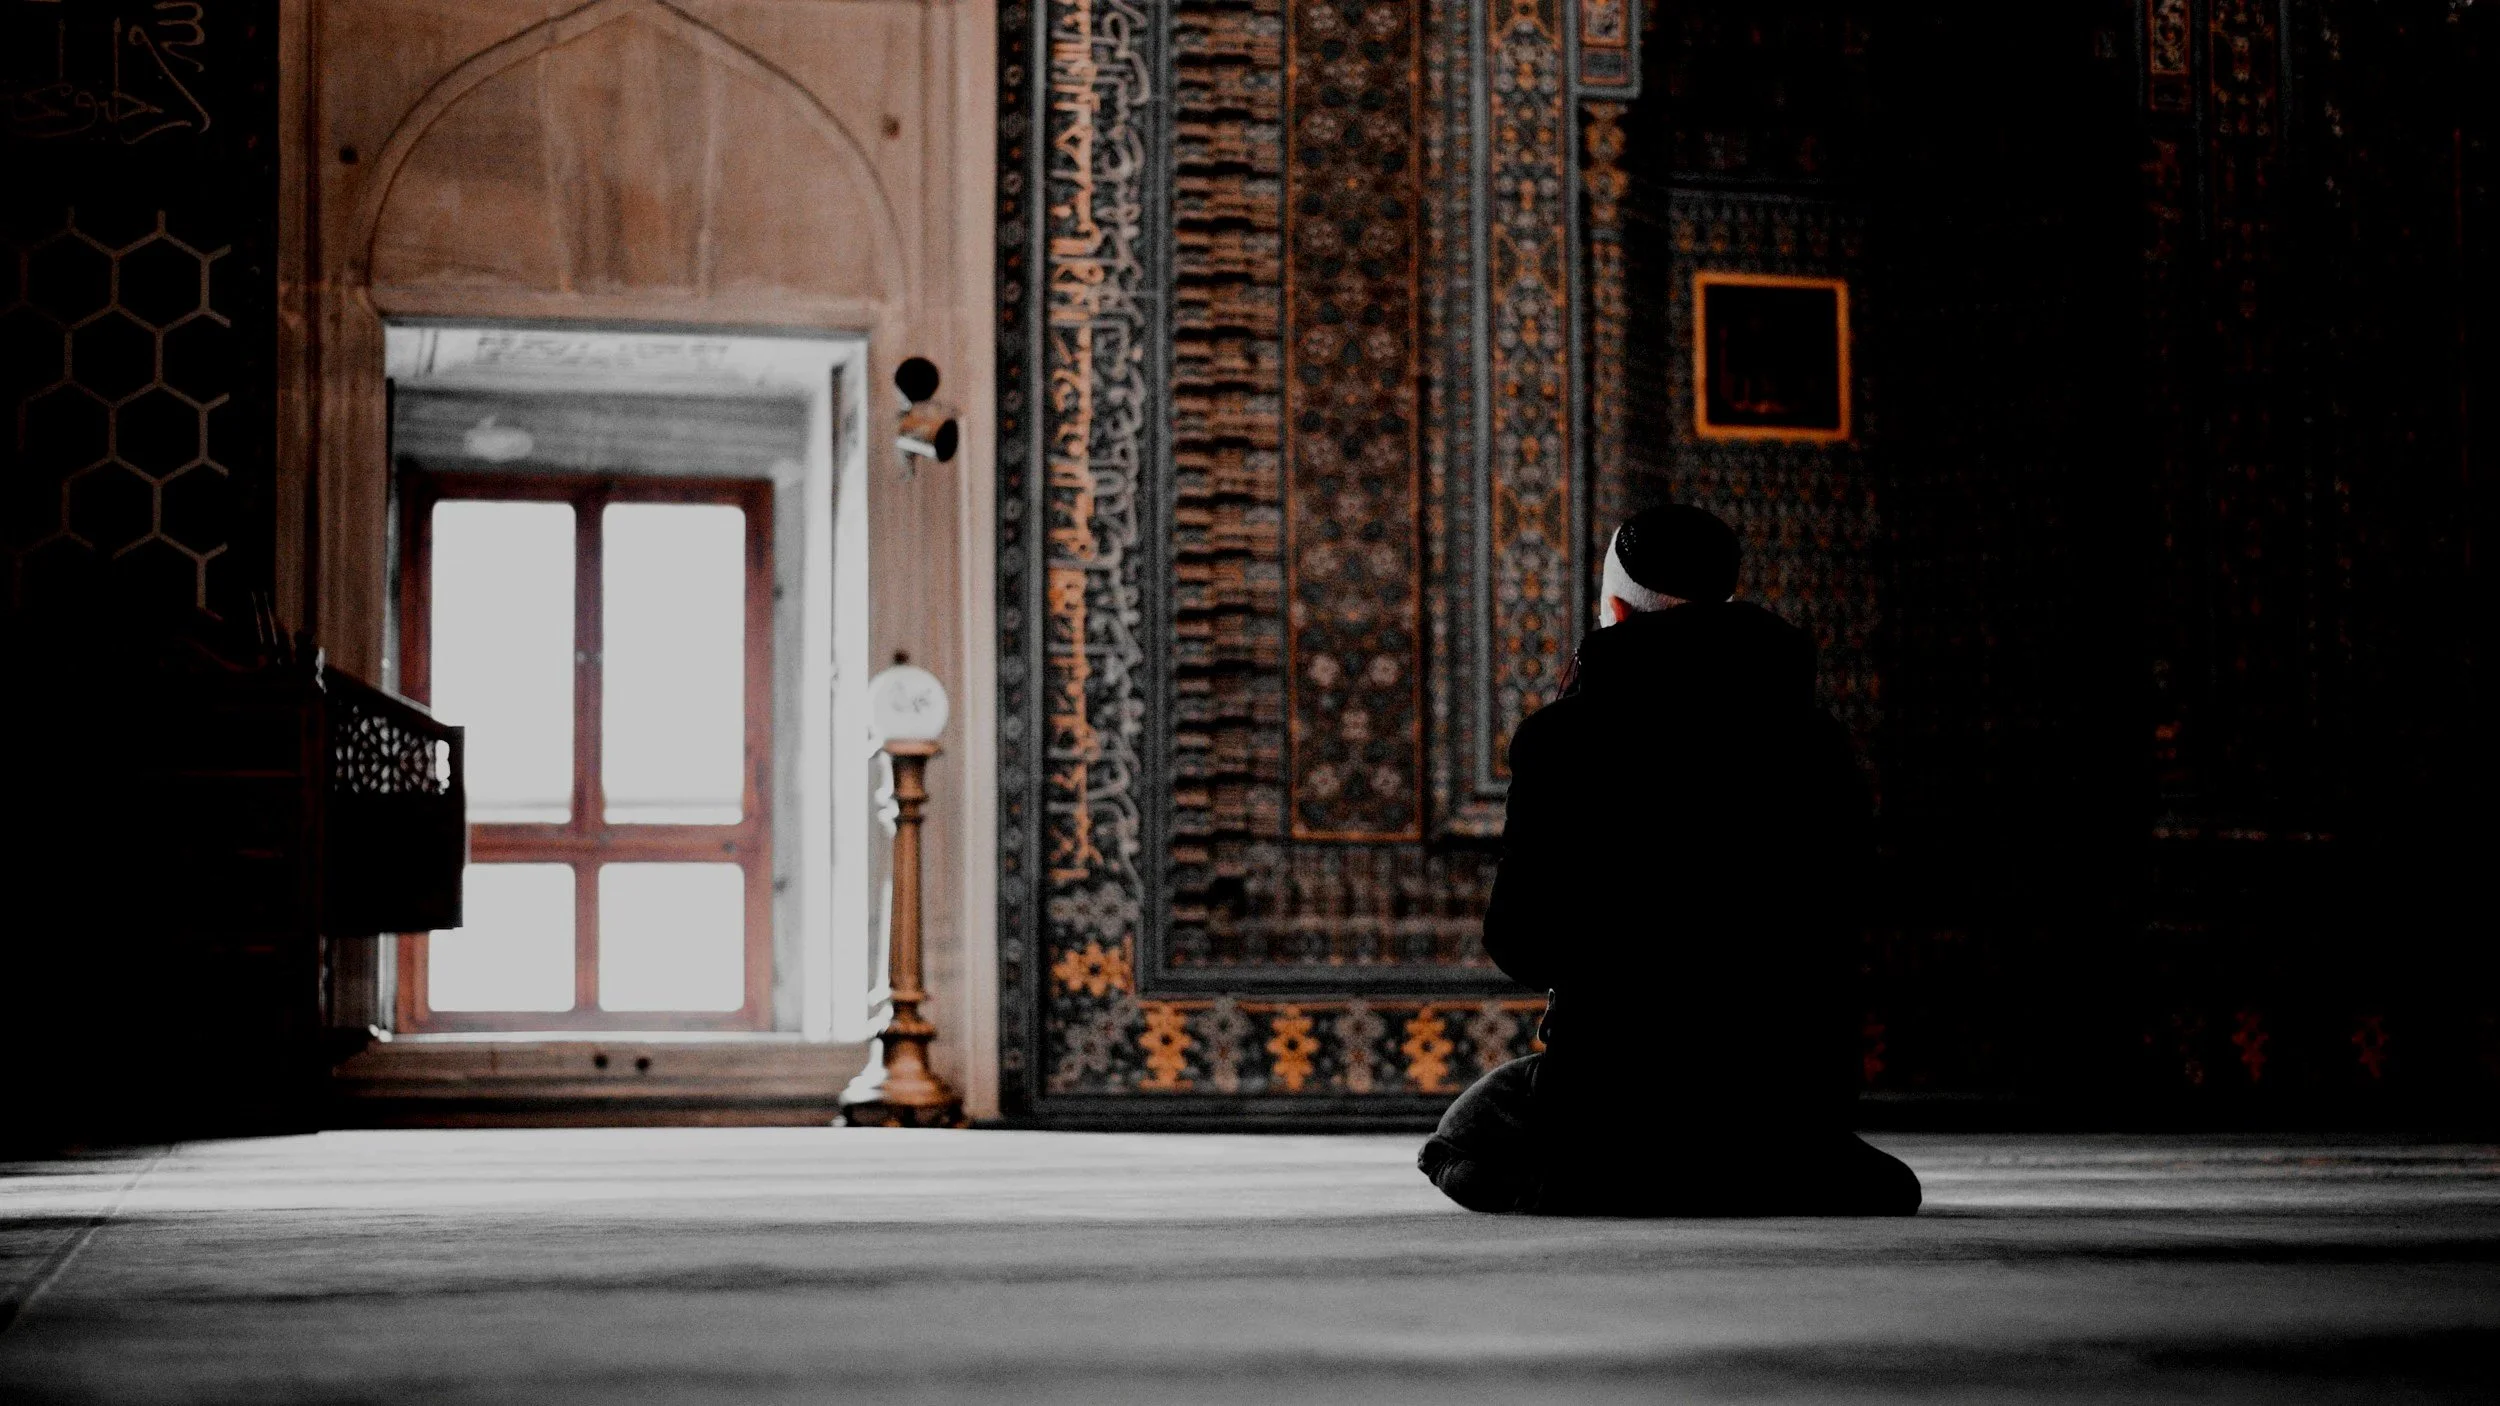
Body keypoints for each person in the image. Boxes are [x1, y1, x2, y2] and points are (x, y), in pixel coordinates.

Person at [1418, 504, 1920, 1216]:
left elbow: (1521, 941)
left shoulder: (1563, 739)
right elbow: (1859, 906)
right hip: (1786, 1095)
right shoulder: (1818, 740)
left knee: (1461, 1136)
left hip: (1622, 1095)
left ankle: (1600, 1181)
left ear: (1616, 610)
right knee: (1857, 1171)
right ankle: (1769, 1171)